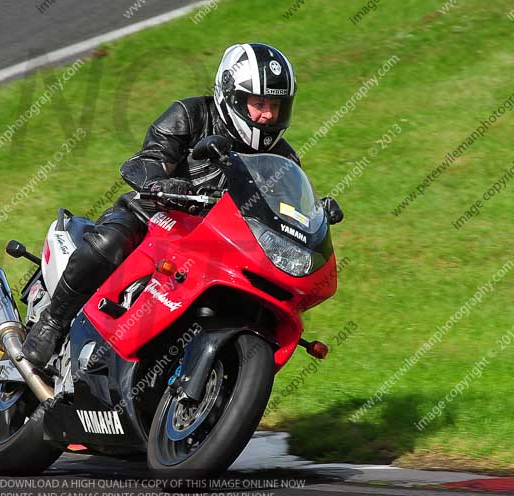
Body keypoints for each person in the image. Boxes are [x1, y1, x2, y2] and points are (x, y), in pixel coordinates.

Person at [23, 43, 311, 368]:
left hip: (220, 248)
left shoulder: (285, 160)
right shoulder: (191, 114)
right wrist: (161, 182)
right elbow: (150, 157)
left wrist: (311, 224)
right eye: (259, 103)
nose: (268, 115)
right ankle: (53, 322)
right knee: (110, 242)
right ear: (231, 95)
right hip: (155, 218)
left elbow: (286, 213)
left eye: (275, 105)